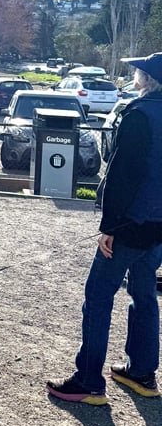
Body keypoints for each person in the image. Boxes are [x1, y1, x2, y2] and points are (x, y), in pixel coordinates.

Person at [47, 52, 162, 404]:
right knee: (144, 295)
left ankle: (88, 379)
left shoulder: (139, 114)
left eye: (139, 70)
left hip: (130, 222)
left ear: (149, 78)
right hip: (158, 226)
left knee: (98, 296)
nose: (135, 74)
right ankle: (142, 371)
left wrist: (108, 226)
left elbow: (123, 176)